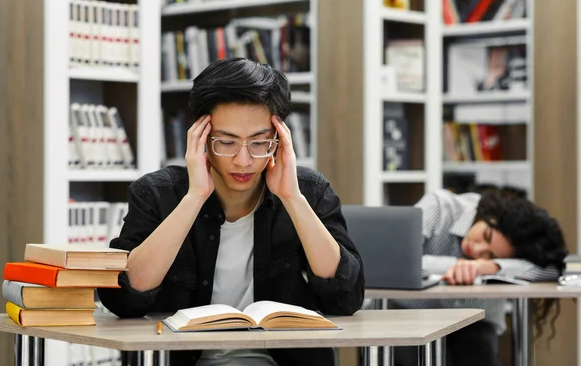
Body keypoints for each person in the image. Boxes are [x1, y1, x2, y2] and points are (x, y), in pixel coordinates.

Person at [97, 58, 365, 366]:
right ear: (200, 136)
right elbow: (124, 300)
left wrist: (292, 198)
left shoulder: (310, 191)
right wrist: (195, 197)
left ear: (279, 140)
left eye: (259, 143)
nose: (243, 160)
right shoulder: (157, 194)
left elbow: (346, 299)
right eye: (226, 142)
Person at [392, 187, 568, 366]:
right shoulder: (438, 205)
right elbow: (395, 258)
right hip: (410, 315)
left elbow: (553, 270)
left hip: (475, 322)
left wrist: (494, 266)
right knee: (412, 354)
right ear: (487, 215)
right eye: (486, 236)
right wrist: (455, 266)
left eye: (490, 255)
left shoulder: (501, 256)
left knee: (477, 352)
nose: (477, 250)